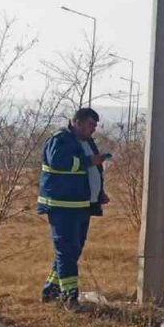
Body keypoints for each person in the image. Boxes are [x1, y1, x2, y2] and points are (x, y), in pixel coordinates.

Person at [37, 107, 109, 309]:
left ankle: (51, 288)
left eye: (95, 126)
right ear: (77, 122)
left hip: (82, 206)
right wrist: (89, 161)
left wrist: (99, 192)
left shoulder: (86, 141)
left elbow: (93, 169)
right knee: (66, 252)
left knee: (72, 251)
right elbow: (59, 162)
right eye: (90, 125)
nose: (93, 130)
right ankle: (69, 298)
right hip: (62, 206)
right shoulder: (60, 139)